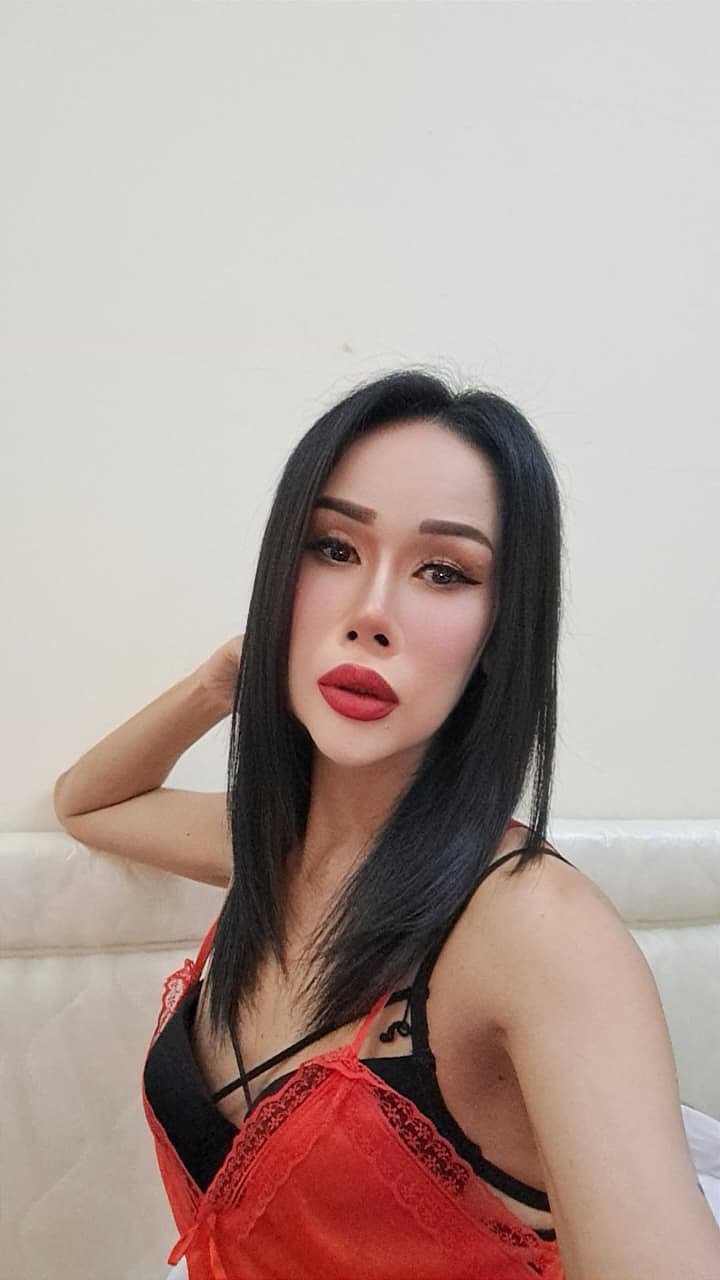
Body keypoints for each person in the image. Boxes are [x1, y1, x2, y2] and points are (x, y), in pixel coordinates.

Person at [54, 369, 720, 1280]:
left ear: (500, 633)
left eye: (443, 572)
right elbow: (88, 802)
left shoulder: (536, 929)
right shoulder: (275, 849)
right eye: (332, 548)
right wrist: (222, 680)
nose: (371, 614)